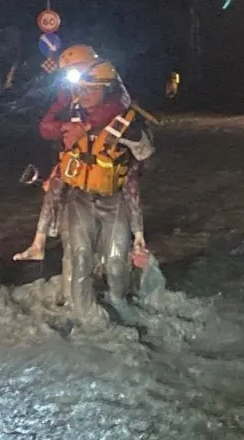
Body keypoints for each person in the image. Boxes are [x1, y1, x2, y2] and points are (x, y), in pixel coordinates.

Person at [40, 59, 154, 322]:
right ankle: (85, 318)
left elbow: (145, 159)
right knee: (80, 258)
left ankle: (119, 304)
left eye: (92, 89)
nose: (84, 94)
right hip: (80, 198)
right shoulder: (72, 118)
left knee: (115, 263)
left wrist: (138, 227)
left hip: (114, 200)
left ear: (107, 90)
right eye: (81, 88)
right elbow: (49, 133)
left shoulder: (126, 125)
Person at [13, 44, 99, 261]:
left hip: (105, 153)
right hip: (74, 154)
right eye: (70, 71)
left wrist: (87, 127)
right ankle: (38, 244)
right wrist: (65, 127)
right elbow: (46, 126)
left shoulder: (109, 90)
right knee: (53, 188)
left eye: (78, 68)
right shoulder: (67, 95)